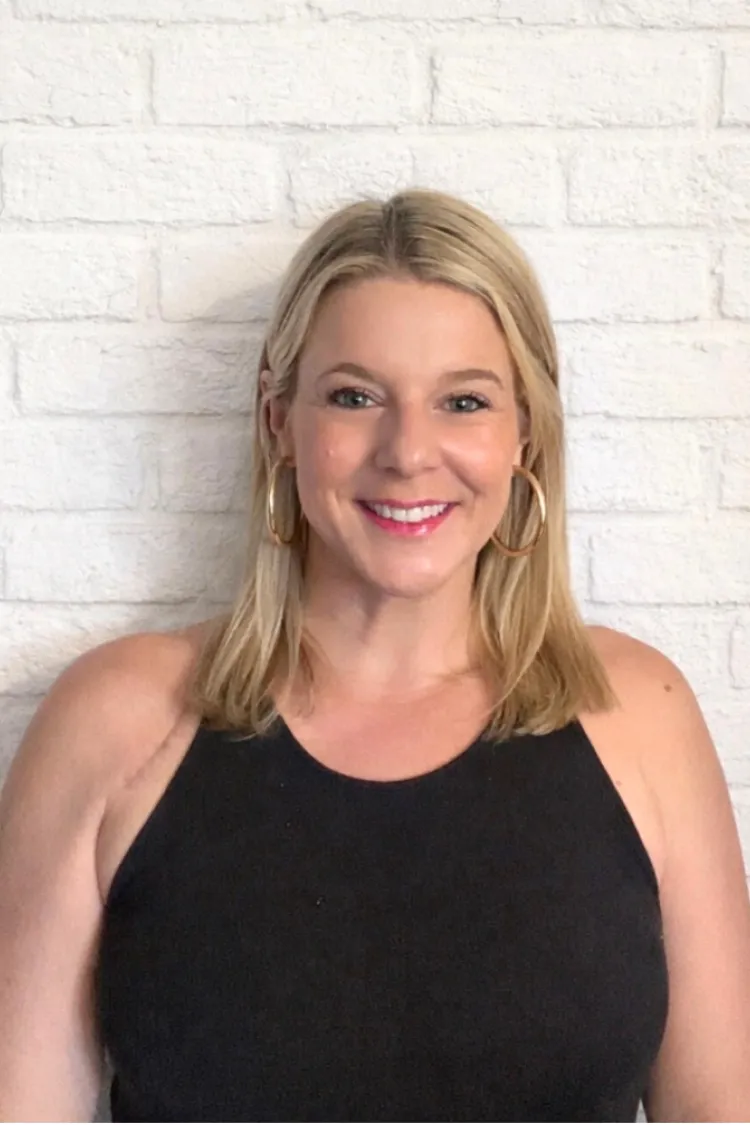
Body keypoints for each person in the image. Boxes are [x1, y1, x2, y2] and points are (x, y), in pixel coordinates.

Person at [1, 189, 749, 1124]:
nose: (408, 451)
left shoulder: (640, 716)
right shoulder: (115, 722)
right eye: (355, 396)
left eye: (464, 401)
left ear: (526, 432)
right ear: (278, 419)